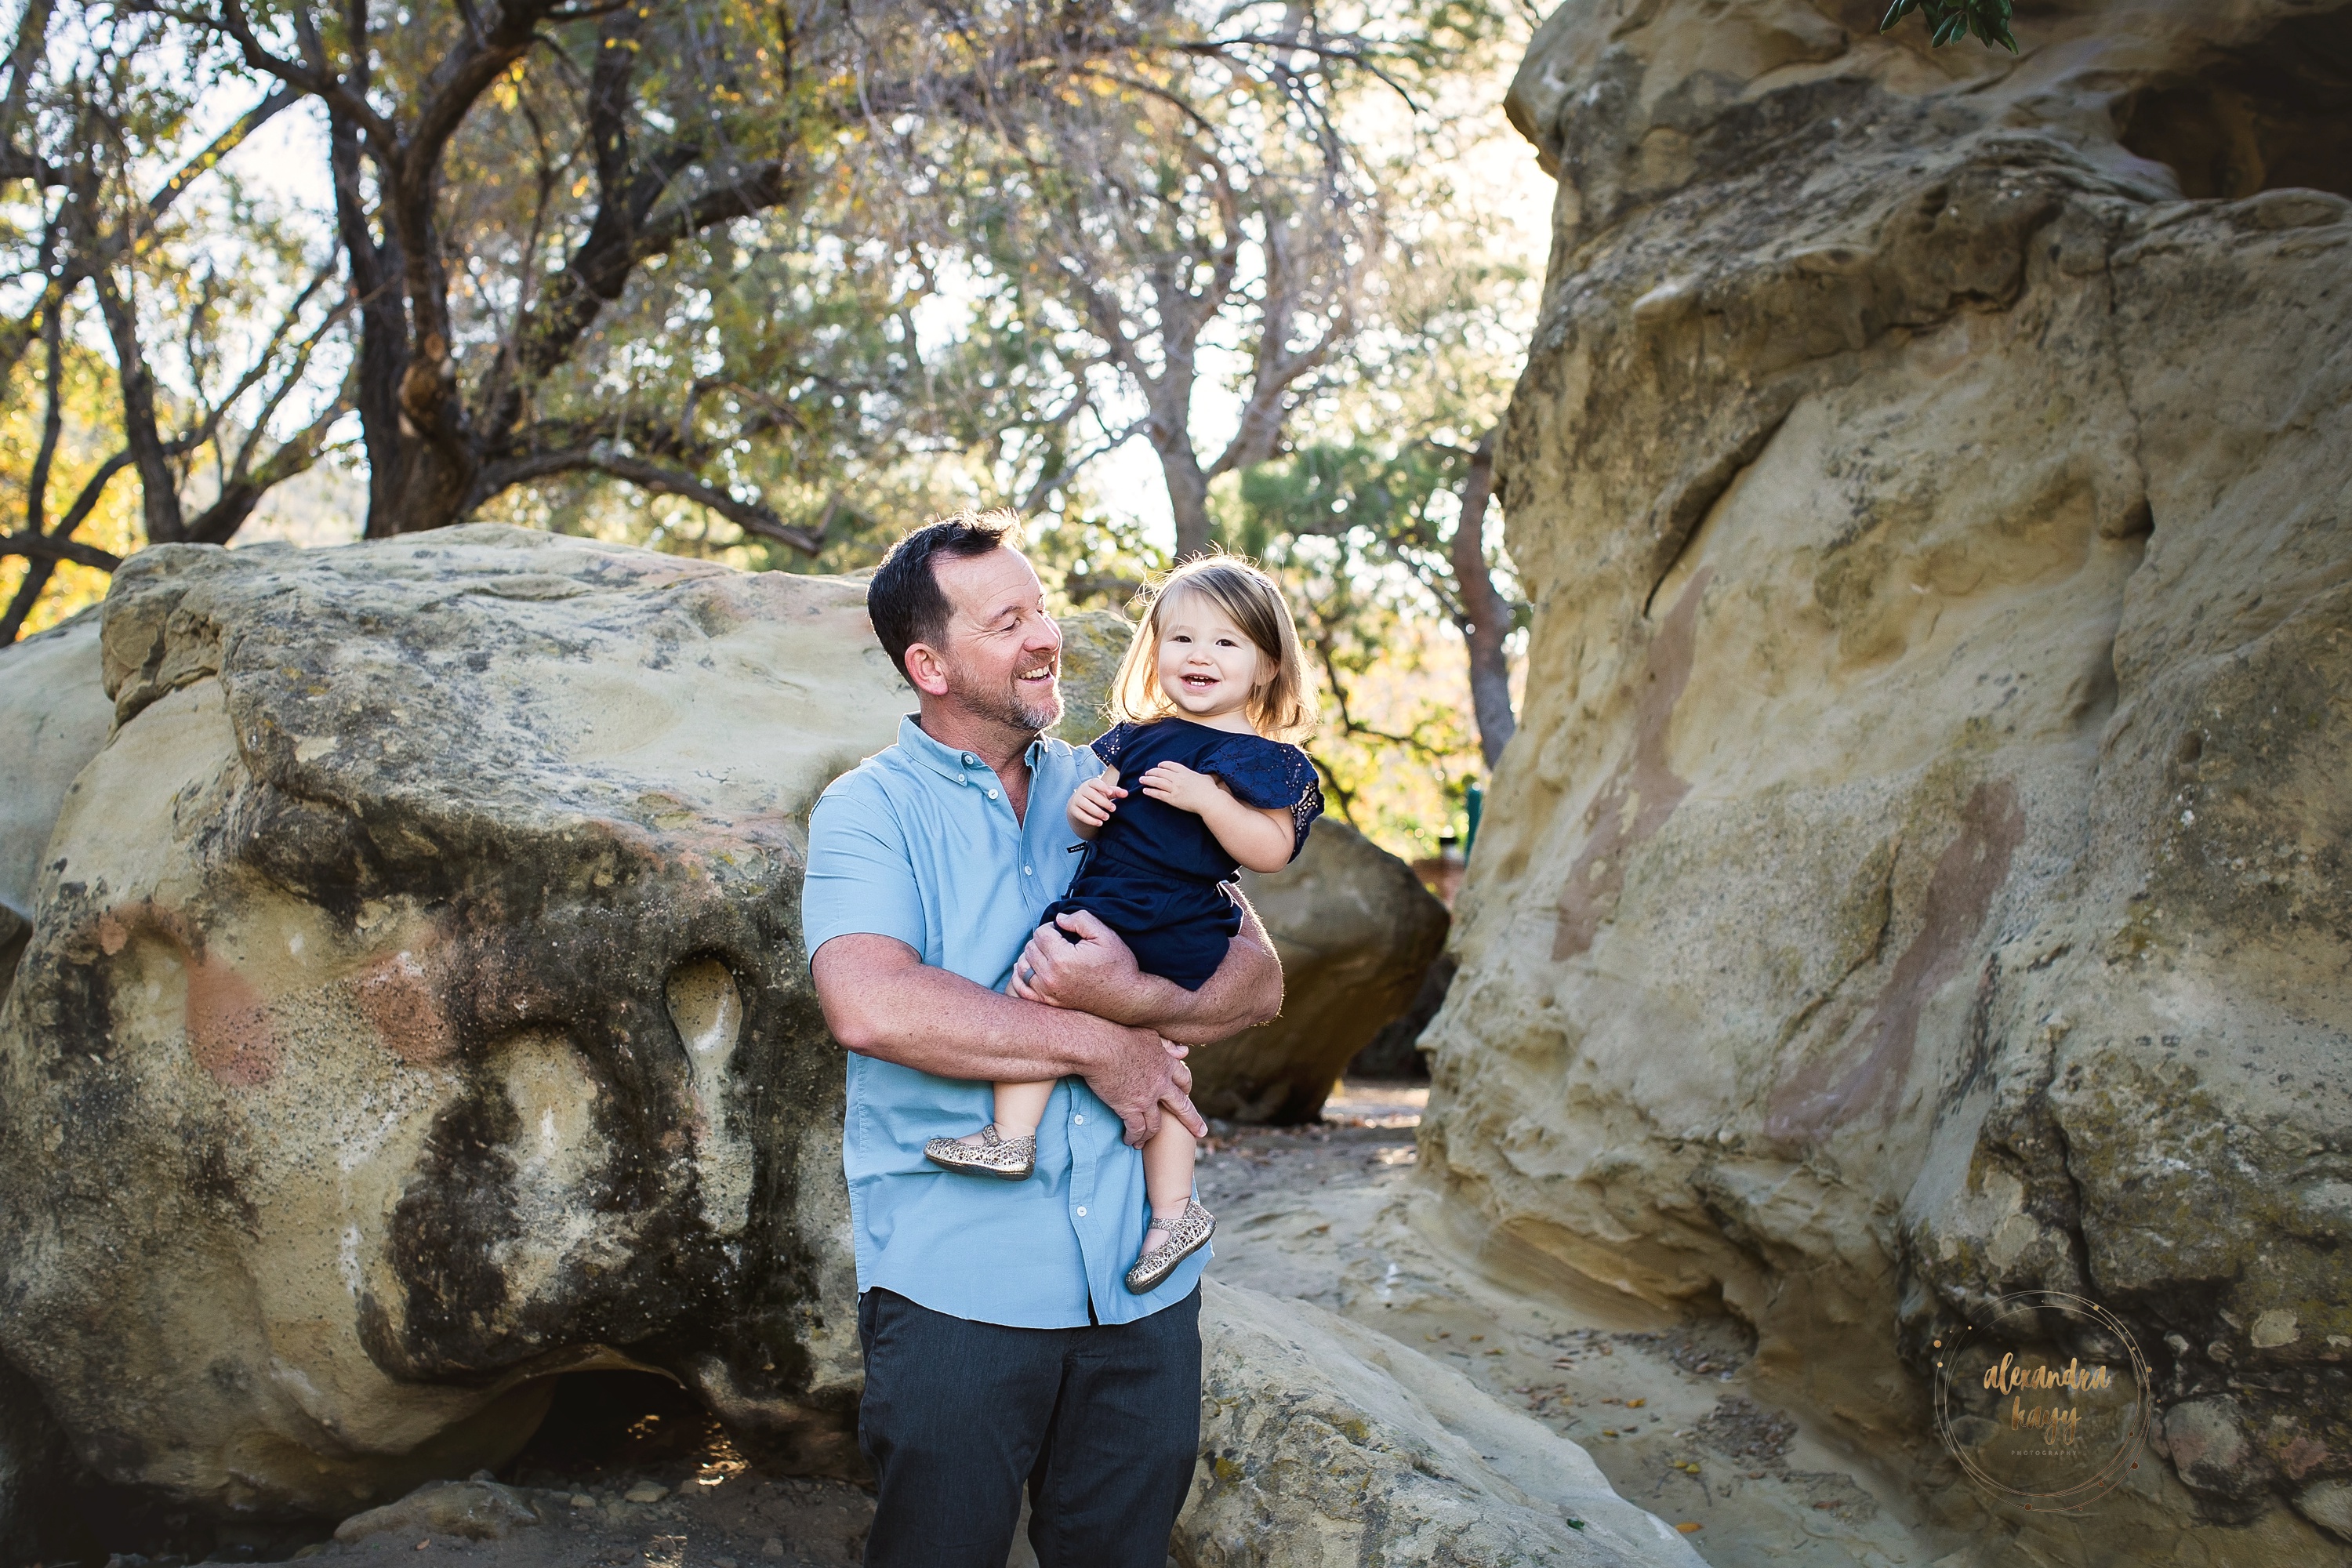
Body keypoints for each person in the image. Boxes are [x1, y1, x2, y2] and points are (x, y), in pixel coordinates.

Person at [800, 510, 1285, 1568]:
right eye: (1007, 618)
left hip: (1139, 1290)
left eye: (1043, 607)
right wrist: (1101, 1047)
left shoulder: (1118, 781)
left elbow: (1256, 981)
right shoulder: (867, 811)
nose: (1045, 635)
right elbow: (872, 1004)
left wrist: (1126, 992)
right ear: (928, 664)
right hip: (955, 1293)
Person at [924, 558, 1322, 1296]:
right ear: (1155, 649)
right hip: (1110, 896)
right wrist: (1086, 810)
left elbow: (1267, 851)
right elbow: (1093, 805)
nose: (1200, 657)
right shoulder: (1138, 738)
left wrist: (1210, 802)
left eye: (1227, 644)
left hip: (1175, 911)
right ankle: (1044, 1153)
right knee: (1043, 990)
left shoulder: (1267, 759)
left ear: (1267, 664)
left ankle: (1143, 1198)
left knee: (1094, 1017)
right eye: (1181, 639)